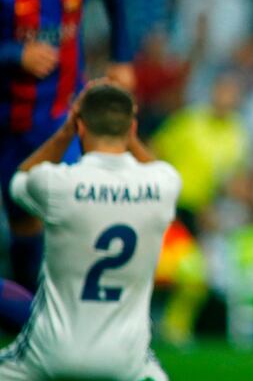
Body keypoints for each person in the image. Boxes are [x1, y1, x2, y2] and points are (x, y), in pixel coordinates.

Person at [0, 0, 134, 293]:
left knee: (80, 210)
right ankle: (27, 320)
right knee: (23, 223)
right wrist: (13, 54)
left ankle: (82, 311)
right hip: (8, 124)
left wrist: (121, 58)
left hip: (62, 119)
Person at [0, 83, 179, 381]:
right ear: (132, 127)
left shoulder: (58, 184)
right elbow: (160, 170)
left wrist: (65, 131)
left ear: (80, 125)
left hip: (52, 354)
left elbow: (19, 182)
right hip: (126, 362)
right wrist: (130, 137)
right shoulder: (163, 185)